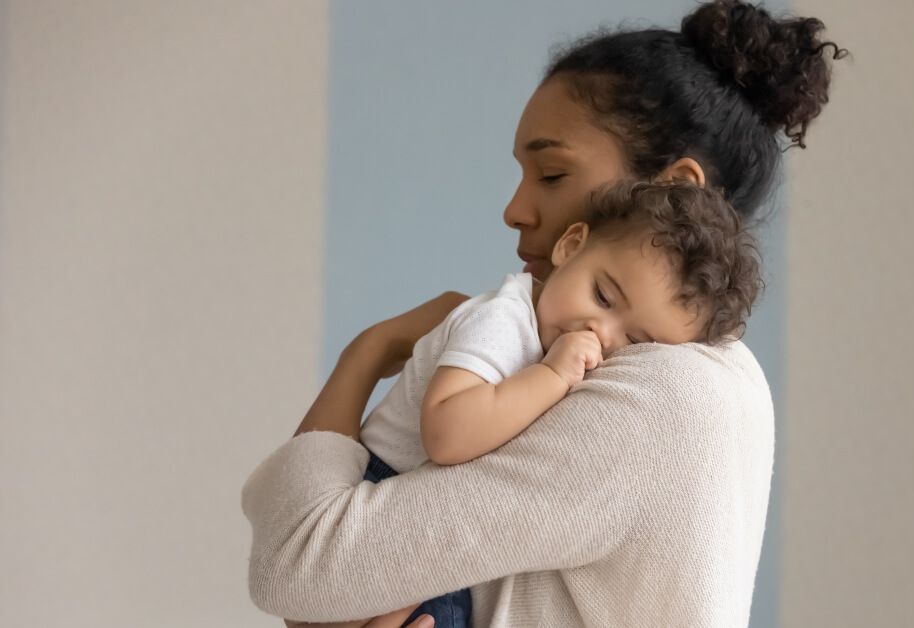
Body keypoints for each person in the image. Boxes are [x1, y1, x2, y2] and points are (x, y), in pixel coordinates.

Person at [241, 1, 845, 626]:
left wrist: (368, 353)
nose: (515, 209)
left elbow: (294, 566)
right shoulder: (702, 376)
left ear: (676, 190)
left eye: (552, 173)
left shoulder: (665, 397)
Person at [351, 180, 762, 628]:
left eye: (634, 342)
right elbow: (447, 435)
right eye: (602, 296)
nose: (602, 332)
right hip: (381, 495)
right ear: (571, 246)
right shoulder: (501, 321)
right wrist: (549, 377)